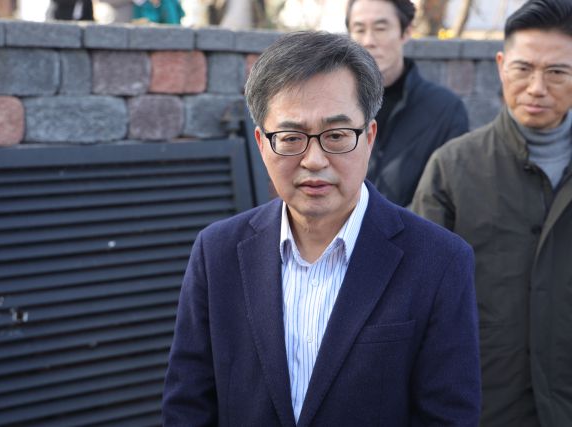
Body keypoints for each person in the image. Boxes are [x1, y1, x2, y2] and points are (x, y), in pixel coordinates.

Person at [162, 31, 480, 425]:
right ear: (261, 143)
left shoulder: (439, 261)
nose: (314, 160)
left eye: (336, 136)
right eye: (291, 137)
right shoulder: (217, 253)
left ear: (369, 137)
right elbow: (188, 407)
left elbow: (447, 417)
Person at [411, 0, 572, 425]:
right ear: (501, 66)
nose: (537, 87)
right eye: (523, 69)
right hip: (484, 408)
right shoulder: (453, 168)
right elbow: (415, 298)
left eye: (557, 72)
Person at [346, 0, 469, 207]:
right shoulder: (334, 107)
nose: (369, 41)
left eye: (380, 28)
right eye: (359, 29)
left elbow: (450, 199)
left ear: (406, 32)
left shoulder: (446, 110)